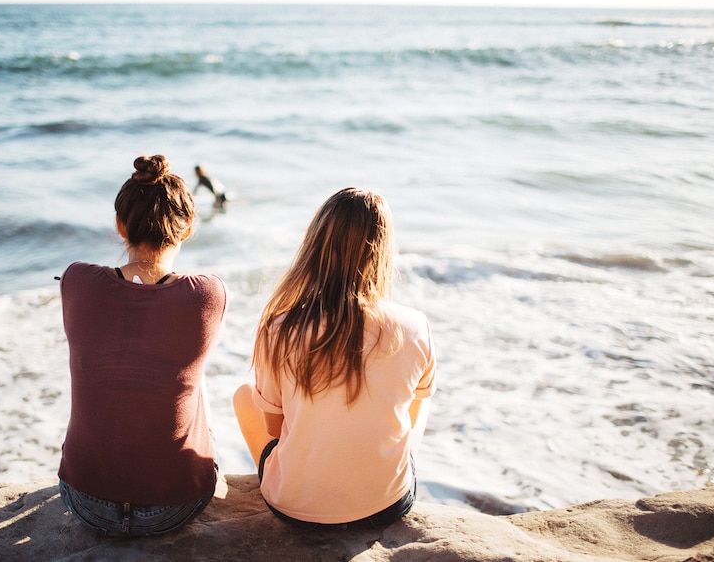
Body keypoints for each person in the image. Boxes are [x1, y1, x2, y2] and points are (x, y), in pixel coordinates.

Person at [233, 187, 436, 530]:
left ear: (314, 246)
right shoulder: (415, 326)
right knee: (419, 400)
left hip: (295, 509)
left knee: (244, 395)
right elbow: (410, 415)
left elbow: (275, 428)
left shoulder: (279, 328)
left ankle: (303, 483)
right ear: (383, 251)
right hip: (387, 503)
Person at [57, 153, 227, 537]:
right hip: (176, 505)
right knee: (192, 379)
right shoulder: (208, 294)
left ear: (121, 225)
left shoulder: (77, 279)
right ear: (186, 230)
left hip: (86, 501)